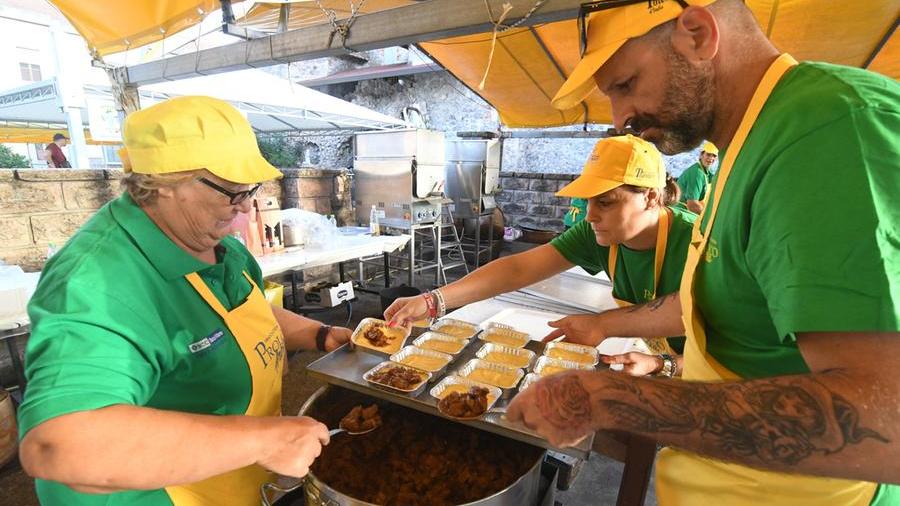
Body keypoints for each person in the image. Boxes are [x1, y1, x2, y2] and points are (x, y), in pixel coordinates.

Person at [506, 1, 899, 505]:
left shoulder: (829, 128)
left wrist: (613, 400)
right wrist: (608, 329)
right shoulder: (747, 144)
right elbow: (713, 302)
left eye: (625, 84)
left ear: (696, 34)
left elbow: (886, 419)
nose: (619, 117)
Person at [17, 96, 352, 505]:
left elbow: (245, 313)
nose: (247, 207)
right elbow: (59, 444)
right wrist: (262, 440)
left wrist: (320, 335)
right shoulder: (96, 283)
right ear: (163, 184)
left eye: (251, 189)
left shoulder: (218, 242)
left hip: (233, 484)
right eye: (232, 192)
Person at [386, 134, 695, 376]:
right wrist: (433, 300)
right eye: (588, 202)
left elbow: (709, 322)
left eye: (605, 202)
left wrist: (667, 364)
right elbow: (518, 269)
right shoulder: (599, 236)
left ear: (651, 197)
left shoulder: (697, 242)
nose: (590, 216)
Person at [676, 140, 717, 213]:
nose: (711, 158)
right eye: (708, 154)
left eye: (714, 156)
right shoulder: (697, 173)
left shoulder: (707, 172)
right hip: (681, 211)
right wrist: (707, 217)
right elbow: (692, 205)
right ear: (701, 155)